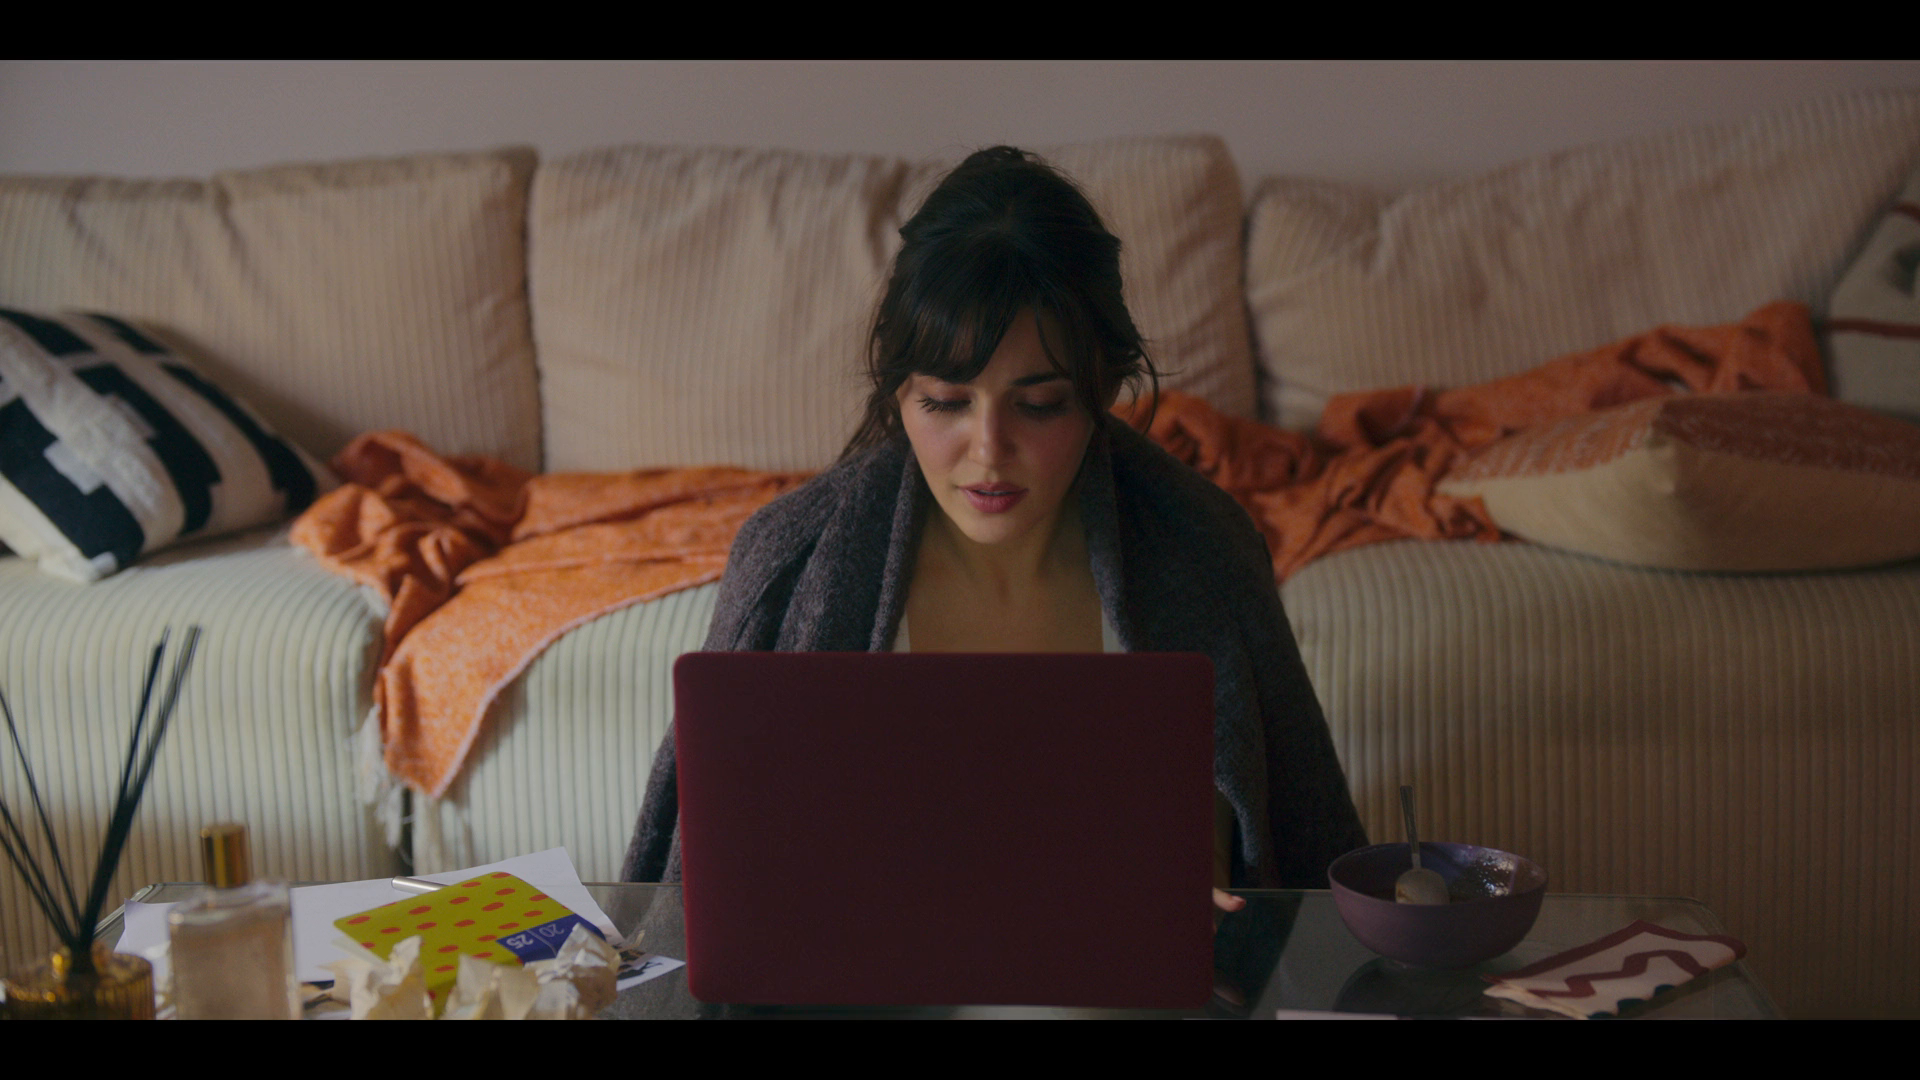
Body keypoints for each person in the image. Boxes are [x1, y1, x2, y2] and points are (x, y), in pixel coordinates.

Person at [621, 146, 1367, 902]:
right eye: (946, 402)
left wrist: (1211, 890)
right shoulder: (788, 561)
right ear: (898, 389)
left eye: (1039, 405)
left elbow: (1303, 862)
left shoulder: (1207, 549)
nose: (988, 451)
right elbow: (684, 902)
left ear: (1105, 387)